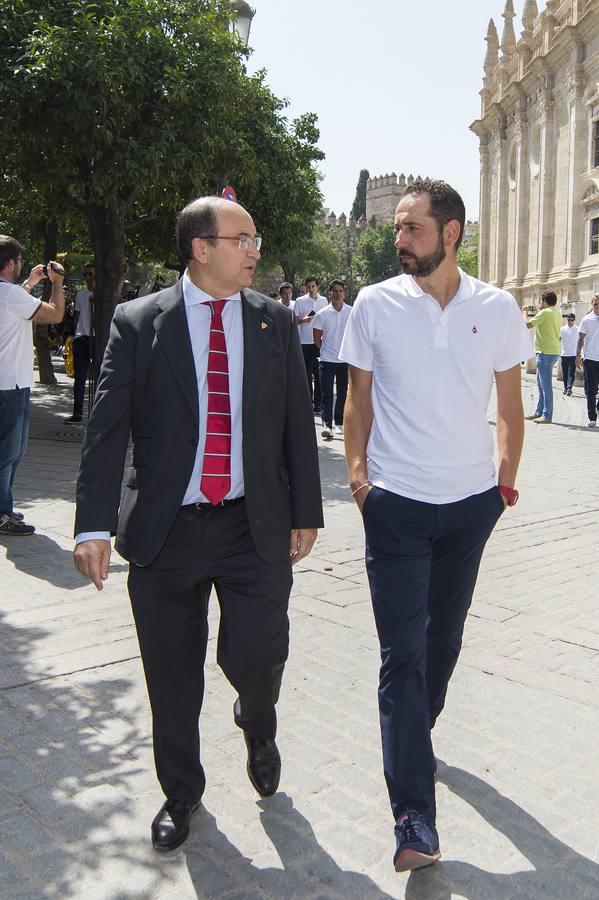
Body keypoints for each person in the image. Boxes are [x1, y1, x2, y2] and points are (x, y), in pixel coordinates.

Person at [73, 196, 323, 852]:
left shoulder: (271, 321)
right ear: (200, 248)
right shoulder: (138, 322)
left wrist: (306, 512)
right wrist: (91, 526)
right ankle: (181, 791)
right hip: (166, 531)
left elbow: (298, 423)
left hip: (254, 526)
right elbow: (106, 430)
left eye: (255, 239)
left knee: (256, 653)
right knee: (171, 672)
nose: (254, 251)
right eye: (242, 239)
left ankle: (257, 717)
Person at [340, 178, 531, 873]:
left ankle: (412, 732)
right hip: (393, 505)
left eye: (412, 229)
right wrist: (359, 481)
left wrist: (502, 480)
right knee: (402, 657)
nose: (399, 241)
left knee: (442, 640)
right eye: (397, 228)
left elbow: (510, 404)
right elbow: (355, 401)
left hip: (469, 507)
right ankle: (413, 817)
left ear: (450, 233)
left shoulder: (496, 308)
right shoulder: (373, 304)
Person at [0, 236, 65, 536]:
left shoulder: (10, 294)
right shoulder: (10, 295)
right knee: (8, 453)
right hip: (10, 385)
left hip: (11, 383)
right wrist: (57, 283)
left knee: (12, 450)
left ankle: (4, 507)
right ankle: (2, 514)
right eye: (20, 262)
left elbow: (15, 304)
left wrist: (29, 281)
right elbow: (56, 314)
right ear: (11, 263)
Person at [313, 280, 351, 441]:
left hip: (344, 360)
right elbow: (316, 337)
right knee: (326, 393)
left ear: (344, 293)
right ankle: (327, 425)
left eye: (340, 291)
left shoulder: (351, 312)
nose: (337, 293)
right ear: (330, 293)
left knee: (343, 393)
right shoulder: (322, 313)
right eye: (334, 291)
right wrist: (325, 350)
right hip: (327, 360)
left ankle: (339, 422)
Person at [523, 290, 562, 424]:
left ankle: (547, 414)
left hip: (544, 352)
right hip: (552, 351)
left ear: (545, 300)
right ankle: (539, 412)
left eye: (541, 300)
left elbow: (526, 325)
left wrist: (524, 313)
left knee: (545, 386)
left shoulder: (545, 313)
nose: (540, 303)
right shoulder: (556, 312)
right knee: (540, 384)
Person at [65, 265, 95, 424]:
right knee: (80, 379)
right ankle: (77, 413)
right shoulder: (81, 295)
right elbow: (76, 316)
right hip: (82, 338)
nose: (88, 278)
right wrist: (74, 335)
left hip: (98, 339)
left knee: (99, 378)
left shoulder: (104, 295)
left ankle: (98, 414)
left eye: (90, 274)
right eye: (86, 275)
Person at [294, 277, 327, 413]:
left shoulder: (324, 300)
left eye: (313, 286)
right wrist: (304, 320)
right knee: (306, 374)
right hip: (305, 342)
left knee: (319, 374)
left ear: (317, 286)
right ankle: (308, 402)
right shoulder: (300, 301)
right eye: (309, 287)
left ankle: (318, 404)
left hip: (319, 341)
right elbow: (294, 320)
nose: (311, 289)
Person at [576, 295, 599, 427]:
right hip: (590, 359)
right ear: (592, 304)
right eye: (596, 304)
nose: (598, 307)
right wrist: (577, 355)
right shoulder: (587, 319)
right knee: (591, 389)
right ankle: (592, 417)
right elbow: (580, 339)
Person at [560, 313, 578, 396]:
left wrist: (579, 354)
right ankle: (565, 388)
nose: (570, 321)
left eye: (572, 320)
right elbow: (559, 339)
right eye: (568, 320)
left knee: (571, 373)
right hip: (564, 354)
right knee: (565, 373)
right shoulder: (562, 329)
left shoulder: (577, 329)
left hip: (573, 354)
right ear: (566, 320)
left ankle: (569, 388)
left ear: (574, 320)